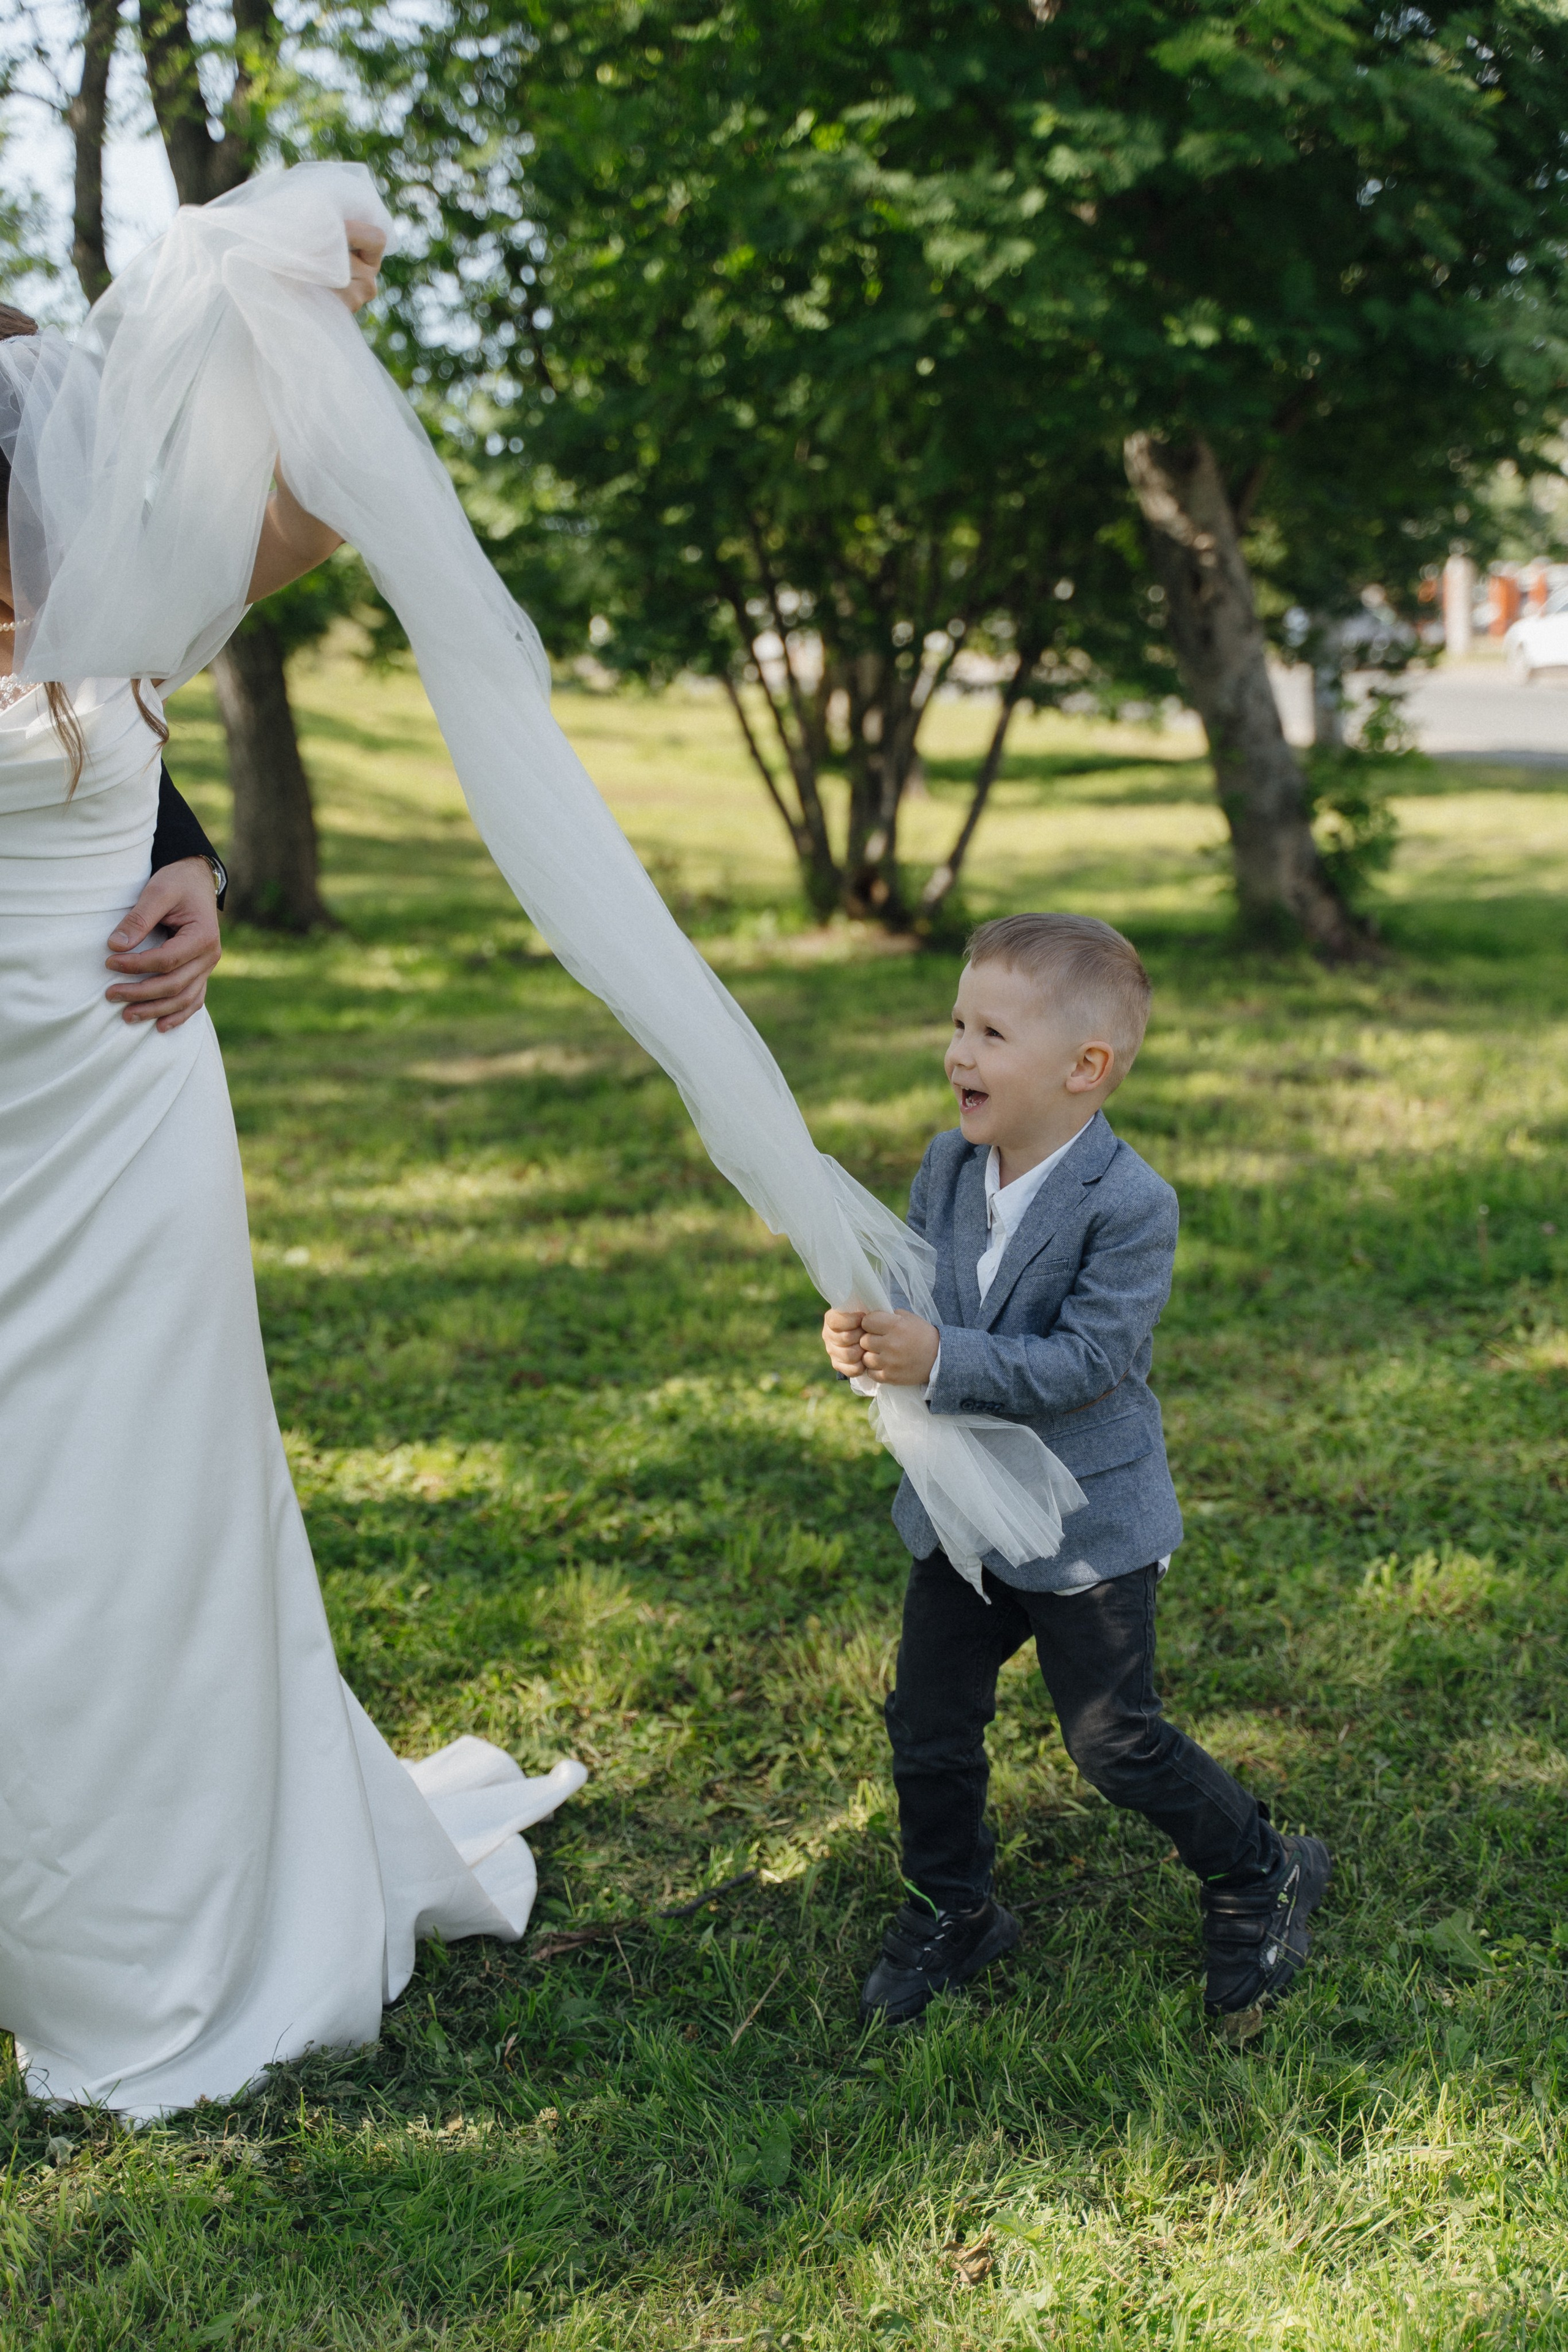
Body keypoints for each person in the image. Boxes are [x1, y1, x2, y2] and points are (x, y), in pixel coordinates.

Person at [0, 235, 583, 2122]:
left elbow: (330, 487)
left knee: (140, 1523)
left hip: (119, 1112)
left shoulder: (115, 583)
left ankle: (173, 1918)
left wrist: (259, 287)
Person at [822, 913, 1330, 2030]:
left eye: (990, 1032)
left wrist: (943, 1358)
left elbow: (1091, 1361)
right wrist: (875, 1335)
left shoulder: (1129, 1204)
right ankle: (954, 1910)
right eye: (957, 1024)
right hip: (966, 1512)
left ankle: (1262, 1867)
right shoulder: (949, 1166)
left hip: (1087, 1521)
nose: (958, 1052)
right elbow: (919, 1294)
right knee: (929, 1719)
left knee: (1113, 1737)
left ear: (1083, 1069)